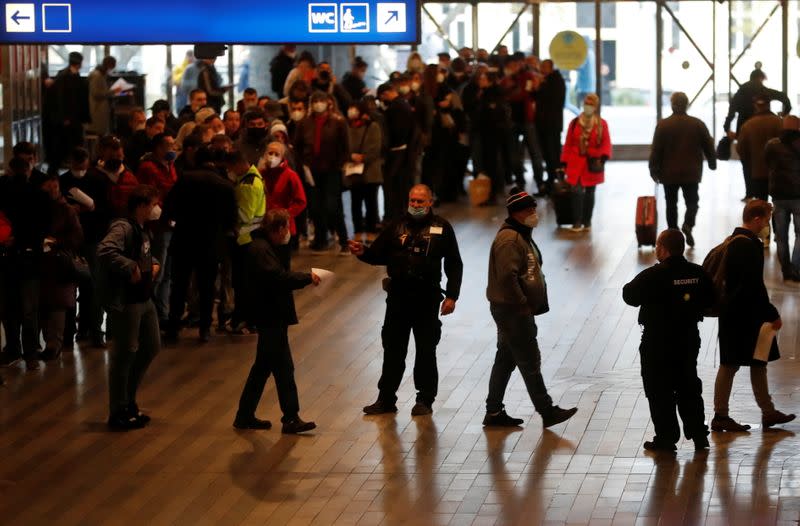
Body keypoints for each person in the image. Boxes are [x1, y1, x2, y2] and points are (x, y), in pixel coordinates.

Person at [349, 184, 463, 417]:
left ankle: (425, 399)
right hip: (398, 299)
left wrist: (452, 296)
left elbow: (454, 264)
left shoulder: (442, 227)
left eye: (421, 201)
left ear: (430, 202)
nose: (416, 205)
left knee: (425, 351)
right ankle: (386, 399)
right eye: (412, 201)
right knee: (392, 350)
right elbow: (378, 255)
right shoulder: (396, 226)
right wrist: (363, 252)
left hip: (427, 299)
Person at [483, 188, 578, 428]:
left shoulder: (521, 234)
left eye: (534, 208)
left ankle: (493, 412)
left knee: (505, 359)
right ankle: (547, 411)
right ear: (516, 213)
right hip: (513, 311)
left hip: (511, 310)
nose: (534, 212)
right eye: (529, 209)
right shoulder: (510, 239)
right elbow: (507, 277)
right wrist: (522, 303)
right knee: (529, 361)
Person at [622, 229, 714, 451]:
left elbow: (629, 295)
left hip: (657, 341)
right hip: (688, 338)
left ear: (662, 248)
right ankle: (699, 435)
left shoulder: (653, 275)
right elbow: (710, 298)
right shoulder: (698, 273)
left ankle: (666, 437)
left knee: (658, 389)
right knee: (689, 385)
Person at [711, 200, 796, 432]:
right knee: (731, 364)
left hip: (734, 314)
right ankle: (721, 415)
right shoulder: (746, 245)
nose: (767, 225)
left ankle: (767, 412)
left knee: (755, 362)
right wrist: (772, 314)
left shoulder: (736, 241)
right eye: (767, 220)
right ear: (757, 218)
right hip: (744, 316)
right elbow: (753, 286)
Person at [233, 209, 319, 434]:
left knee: (264, 367)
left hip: (270, 315)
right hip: (270, 315)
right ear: (279, 229)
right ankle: (290, 418)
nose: (288, 233)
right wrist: (307, 278)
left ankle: (245, 415)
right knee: (282, 368)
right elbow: (277, 278)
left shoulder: (262, 247)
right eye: (286, 228)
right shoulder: (261, 250)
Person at [96, 185, 162, 431]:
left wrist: (154, 264)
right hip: (127, 300)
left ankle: (129, 399)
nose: (156, 209)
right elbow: (105, 250)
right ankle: (118, 410)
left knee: (151, 346)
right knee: (124, 354)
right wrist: (129, 266)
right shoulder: (122, 227)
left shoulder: (143, 229)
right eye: (153, 204)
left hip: (144, 298)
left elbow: (146, 253)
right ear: (142, 206)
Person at [164, 147, 237, 343]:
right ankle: (205, 327)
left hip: (184, 239)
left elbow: (169, 208)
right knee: (207, 286)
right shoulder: (225, 185)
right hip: (211, 242)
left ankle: (173, 326)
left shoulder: (184, 180)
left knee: (179, 285)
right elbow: (232, 220)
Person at [649, 92, 716, 247]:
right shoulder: (697, 124)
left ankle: (673, 234)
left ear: (672, 104)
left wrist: (653, 169)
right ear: (687, 104)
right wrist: (712, 162)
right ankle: (688, 224)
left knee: (671, 204)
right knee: (692, 202)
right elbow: (708, 145)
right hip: (691, 172)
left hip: (668, 173)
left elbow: (656, 150)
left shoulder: (663, 125)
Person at [35, 172, 84, 362]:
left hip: (59, 263)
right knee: (46, 305)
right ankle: (50, 342)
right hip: (44, 264)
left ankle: (54, 344)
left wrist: (57, 242)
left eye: (54, 188)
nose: (52, 191)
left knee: (57, 305)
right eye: (49, 188)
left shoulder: (66, 211)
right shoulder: (42, 209)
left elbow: (77, 237)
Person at [294, 91, 350, 252]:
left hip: (332, 169)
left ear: (328, 102)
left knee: (333, 205)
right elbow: (297, 146)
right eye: (315, 101)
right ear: (311, 104)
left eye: (321, 100)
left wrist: (339, 165)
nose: (318, 103)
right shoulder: (304, 123)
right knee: (316, 207)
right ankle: (320, 240)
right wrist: (303, 164)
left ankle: (344, 240)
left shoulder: (338, 122)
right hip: (311, 170)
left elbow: (345, 147)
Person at [136, 133, 178, 323]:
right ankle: (149, 313)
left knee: (168, 272)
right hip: (159, 224)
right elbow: (152, 195)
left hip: (171, 223)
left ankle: (163, 313)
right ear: (159, 148)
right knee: (157, 271)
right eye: (169, 145)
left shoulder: (170, 166)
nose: (173, 148)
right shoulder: (148, 168)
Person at [224, 150, 265, 333]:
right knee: (244, 282)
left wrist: (228, 213)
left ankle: (246, 320)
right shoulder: (253, 177)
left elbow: (244, 215)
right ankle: (245, 319)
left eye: (230, 167)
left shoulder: (247, 185)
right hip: (250, 237)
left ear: (239, 164)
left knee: (242, 283)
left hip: (244, 238)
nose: (229, 170)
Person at [561, 93, 612, 232]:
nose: (587, 106)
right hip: (575, 162)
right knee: (576, 191)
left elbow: (606, 143)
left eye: (590, 104)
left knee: (590, 192)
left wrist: (603, 156)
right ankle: (577, 221)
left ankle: (587, 221)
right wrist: (564, 162)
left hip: (592, 163)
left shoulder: (601, 124)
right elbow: (568, 143)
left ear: (595, 106)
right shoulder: (574, 123)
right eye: (586, 103)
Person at [765, 115, 800, 281]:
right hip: (798, 196)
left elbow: (767, 162)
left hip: (778, 196)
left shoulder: (772, 144)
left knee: (781, 235)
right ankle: (795, 267)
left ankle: (786, 269)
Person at [377, 82, 415, 222]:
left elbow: (394, 133)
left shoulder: (395, 108)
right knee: (400, 186)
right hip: (404, 150)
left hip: (396, 152)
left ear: (386, 93)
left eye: (381, 97)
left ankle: (392, 216)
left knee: (392, 187)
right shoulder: (403, 104)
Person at [345, 101, 383, 237]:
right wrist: (350, 156)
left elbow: (376, 147)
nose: (351, 111)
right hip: (353, 170)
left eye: (354, 108)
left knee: (371, 202)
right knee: (355, 202)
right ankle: (358, 231)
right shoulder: (346, 127)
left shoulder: (373, 126)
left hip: (370, 171)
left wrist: (363, 157)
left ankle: (372, 230)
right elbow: (343, 146)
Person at [736, 95, 782, 201]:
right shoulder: (779, 122)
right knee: (779, 205)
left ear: (755, 106)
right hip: (778, 171)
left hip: (757, 172)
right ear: (769, 105)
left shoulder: (748, 125)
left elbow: (740, 148)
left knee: (760, 204)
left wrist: (750, 163)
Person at [260, 142, 307, 246]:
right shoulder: (260, 174)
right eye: (270, 153)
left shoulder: (291, 175)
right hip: (264, 226)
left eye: (277, 154)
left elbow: (301, 201)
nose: (272, 157)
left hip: (282, 227)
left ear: (282, 157)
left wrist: (285, 214)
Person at [724, 68, 791, 138]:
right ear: (760, 78)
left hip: (743, 127)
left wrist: (727, 128)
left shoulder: (741, 91)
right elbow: (784, 97)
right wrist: (785, 113)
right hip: (763, 128)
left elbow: (731, 110)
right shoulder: (764, 91)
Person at [50, 52, 89, 173]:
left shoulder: (72, 74)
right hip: (68, 119)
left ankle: (74, 169)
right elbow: (60, 99)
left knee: (72, 144)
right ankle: (54, 170)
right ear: (79, 63)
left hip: (74, 118)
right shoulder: (64, 76)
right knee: (64, 145)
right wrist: (64, 117)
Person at [535, 60, 567, 194]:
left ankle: (556, 183)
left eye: (543, 67)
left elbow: (552, 100)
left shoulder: (556, 81)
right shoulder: (546, 80)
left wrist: (540, 86)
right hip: (544, 124)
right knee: (547, 155)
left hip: (551, 124)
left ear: (550, 68)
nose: (541, 69)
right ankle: (550, 183)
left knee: (553, 154)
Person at [88, 56, 122, 136]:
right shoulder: (97, 75)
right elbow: (96, 93)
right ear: (109, 65)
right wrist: (113, 91)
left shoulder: (101, 74)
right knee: (99, 133)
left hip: (100, 107)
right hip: (97, 108)